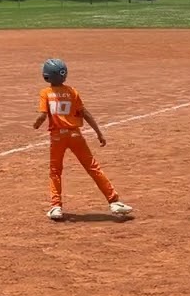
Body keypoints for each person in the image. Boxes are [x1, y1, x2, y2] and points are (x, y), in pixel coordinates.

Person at [33, 59, 133, 221]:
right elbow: (85, 113)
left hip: (58, 137)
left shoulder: (45, 93)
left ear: (46, 76)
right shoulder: (72, 92)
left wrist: (36, 124)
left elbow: (43, 115)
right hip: (75, 136)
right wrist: (98, 132)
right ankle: (114, 201)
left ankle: (56, 206)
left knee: (55, 171)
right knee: (93, 167)